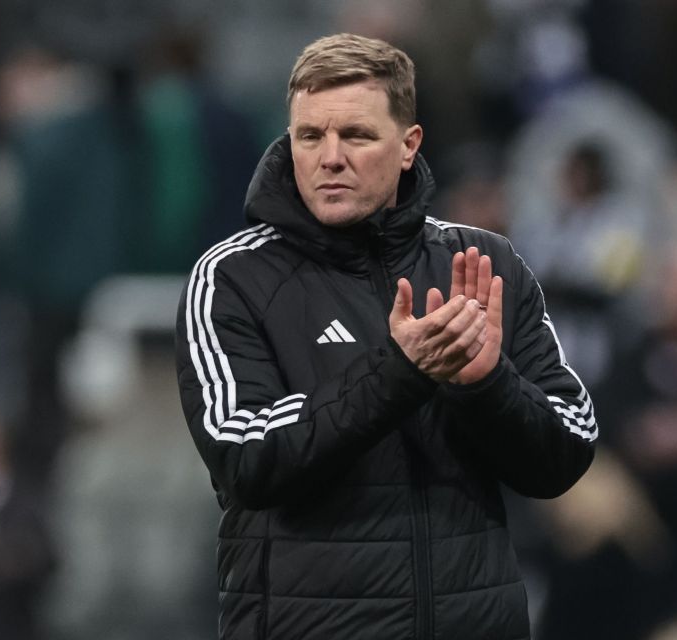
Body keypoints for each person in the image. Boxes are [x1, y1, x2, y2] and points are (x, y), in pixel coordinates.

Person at [175, 33, 597, 640]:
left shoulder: (485, 263)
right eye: (310, 136)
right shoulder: (233, 277)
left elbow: (566, 452)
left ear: (409, 145)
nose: (330, 157)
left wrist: (485, 384)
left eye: (357, 135)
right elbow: (248, 457)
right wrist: (400, 371)